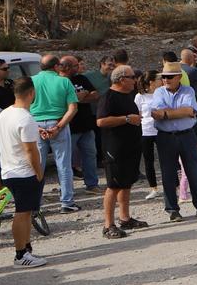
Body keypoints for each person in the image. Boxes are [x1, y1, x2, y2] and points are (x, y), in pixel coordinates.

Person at [150, 61, 197, 222]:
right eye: (164, 77)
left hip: (187, 135)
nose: (166, 80)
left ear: (179, 77)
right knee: (168, 174)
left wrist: (166, 113)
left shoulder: (188, 90)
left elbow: (190, 110)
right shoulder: (159, 92)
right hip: (165, 137)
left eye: (169, 77)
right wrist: (179, 112)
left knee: (194, 171)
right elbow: (156, 114)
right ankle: (172, 209)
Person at [0, 76, 48, 268]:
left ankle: (26, 248)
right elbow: (30, 150)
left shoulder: (5, 113)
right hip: (24, 172)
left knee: (25, 212)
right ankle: (20, 255)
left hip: (9, 169)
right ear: (31, 93)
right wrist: (39, 172)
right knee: (23, 213)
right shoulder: (26, 118)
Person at [95, 65, 148, 239]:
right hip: (114, 148)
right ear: (121, 79)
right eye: (132, 77)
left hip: (131, 146)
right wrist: (125, 119)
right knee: (114, 185)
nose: (135, 80)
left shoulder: (130, 94)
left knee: (127, 182)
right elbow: (101, 121)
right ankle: (108, 225)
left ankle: (125, 218)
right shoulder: (108, 97)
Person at [31, 55, 79, 213]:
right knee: (63, 165)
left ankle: (35, 204)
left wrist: (36, 127)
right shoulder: (64, 81)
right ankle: (67, 202)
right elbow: (73, 108)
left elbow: (23, 106)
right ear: (56, 66)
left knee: (37, 166)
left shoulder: (31, 81)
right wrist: (58, 127)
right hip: (58, 123)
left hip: (35, 125)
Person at [62, 56, 102, 197]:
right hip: (69, 127)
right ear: (66, 67)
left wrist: (78, 98)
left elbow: (95, 94)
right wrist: (78, 97)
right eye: (75, 65)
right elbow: (63, 102)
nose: (78, 67)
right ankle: (66, 189)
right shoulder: (61, 82)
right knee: (66, 159)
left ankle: (92, 184)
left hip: (86, 125)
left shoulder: (82, 79)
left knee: (90, 155)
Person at [135, 71, 161, 200]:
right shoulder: (140, 97)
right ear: (151, 82)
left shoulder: (162, 93)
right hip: (146, 131)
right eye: (158, 79)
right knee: (148, 160)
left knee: (167, 158)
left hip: (160, 130)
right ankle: (153, 188)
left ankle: (176, 186)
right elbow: (139, 114)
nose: (161, 80)